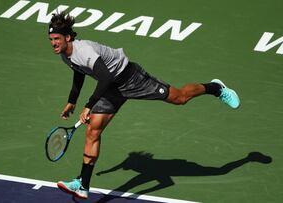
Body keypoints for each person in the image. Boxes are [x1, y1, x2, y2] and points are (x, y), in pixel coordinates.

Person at [47, 12, 240, 199]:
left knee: (179, 98)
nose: (54, 43)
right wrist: (72, 101)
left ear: (68, 37)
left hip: (130, 78)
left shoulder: (84, 50)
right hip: (111, 87)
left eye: (57, 38)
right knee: (93, 131)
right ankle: (83, 184)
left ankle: (216, 88)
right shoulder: (65, 54)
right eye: (51, 39)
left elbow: (104, 77)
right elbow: (79, 71)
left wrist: (89, 105)